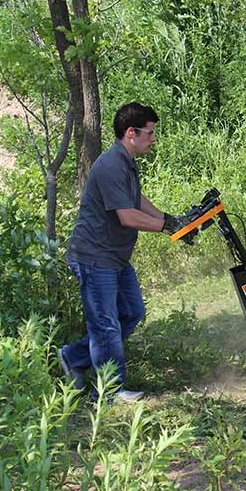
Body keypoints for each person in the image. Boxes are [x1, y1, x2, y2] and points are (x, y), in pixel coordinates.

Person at [58, 102, 183, 402]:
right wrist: (165, 225)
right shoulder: (111, 164)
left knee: (132, 312)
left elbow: (136, 199)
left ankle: (73, 357)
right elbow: (127, 216)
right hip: (94, 257)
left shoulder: (125, 162)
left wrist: (170, 218)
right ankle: (109, 391)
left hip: (114, 257)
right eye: (150, 133)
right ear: (131, 132)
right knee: (106, 324)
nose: (153, 139)